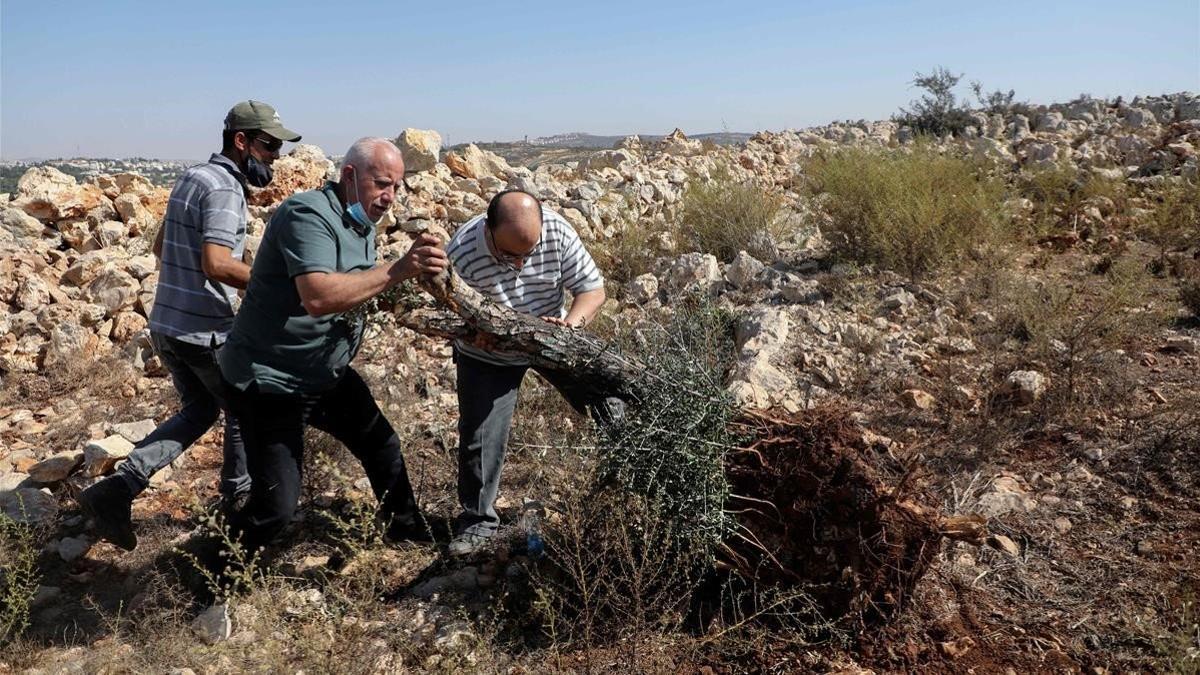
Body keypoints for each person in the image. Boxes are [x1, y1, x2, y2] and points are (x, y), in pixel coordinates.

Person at [79, 100, 300, 551]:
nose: (275, 156)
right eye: (269, 145)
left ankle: (117, 489)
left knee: (200, 411)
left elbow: (162, 246)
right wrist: (276, 285)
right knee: (245, 413)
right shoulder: (224, 189)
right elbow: (219, 263)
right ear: (242, 141)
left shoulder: (191, 178)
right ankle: (238, 500)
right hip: (206, 332)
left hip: (167, 325)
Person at [216, 137, 448, 560]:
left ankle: (406, 526)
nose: (389, 197)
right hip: (271, 379)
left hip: (323, 372)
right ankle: (215, 565)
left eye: (396, 187)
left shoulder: (359, 221)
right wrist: (398, 270)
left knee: (382, 444)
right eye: (381, 184)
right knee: (276, 507)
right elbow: (319, 296)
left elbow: (361, 284)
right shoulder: (306, 214)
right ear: (349, 176)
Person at [445, 189, 615, 556]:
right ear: (488, 231)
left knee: (610, 405)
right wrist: (476, 333)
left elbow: (592, 290)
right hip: (487, 353)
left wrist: (569, 327)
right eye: (509, 255)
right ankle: (478, 522)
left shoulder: (556, 231)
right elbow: (445, 311)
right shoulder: (462, 250)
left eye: (529, 253)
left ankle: (625, 497)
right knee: (480, 436)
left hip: (552, 336)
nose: (520, 264)